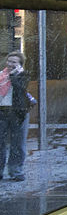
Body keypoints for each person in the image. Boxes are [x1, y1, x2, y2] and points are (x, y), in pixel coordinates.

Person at [0, 51, 33, 182]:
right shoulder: (1, 76)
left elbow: (20, 89)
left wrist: (14, 76)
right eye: (9, 61)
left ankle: (16, 171)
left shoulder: (24, 75)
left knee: (17, 144)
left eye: (14, 62)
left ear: (20, 64)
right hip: (2, 112)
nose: (10, 64)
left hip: (18, 113)